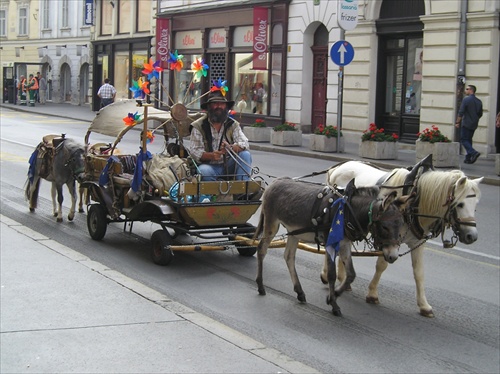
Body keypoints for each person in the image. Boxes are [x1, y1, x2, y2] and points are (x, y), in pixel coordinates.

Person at [189, 91, 254, 185]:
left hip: (228, 165)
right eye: (215, 104)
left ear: (226, 107)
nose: (218, 106)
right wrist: (211, 155)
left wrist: (231, 148)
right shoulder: (199, 126)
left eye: (222, 104)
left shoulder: (232, 124)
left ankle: (243, 189)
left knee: (245, 155)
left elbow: (245, 143)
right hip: (209, 166)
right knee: (204, 171)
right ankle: (216, 194)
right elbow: (194, 152)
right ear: (209, 107)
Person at [455, 84, 483, 164]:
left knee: (463, 139)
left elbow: (461, 112)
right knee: (469, 139)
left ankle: (473, 152)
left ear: (471, 90)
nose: (465, 91)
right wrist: (475, 119)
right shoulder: (479, 101)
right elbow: (480, 113)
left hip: (466, 122)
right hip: (474, 123)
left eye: (467, 89)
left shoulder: (466, 100)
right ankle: (468, 158)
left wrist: (457, 122)